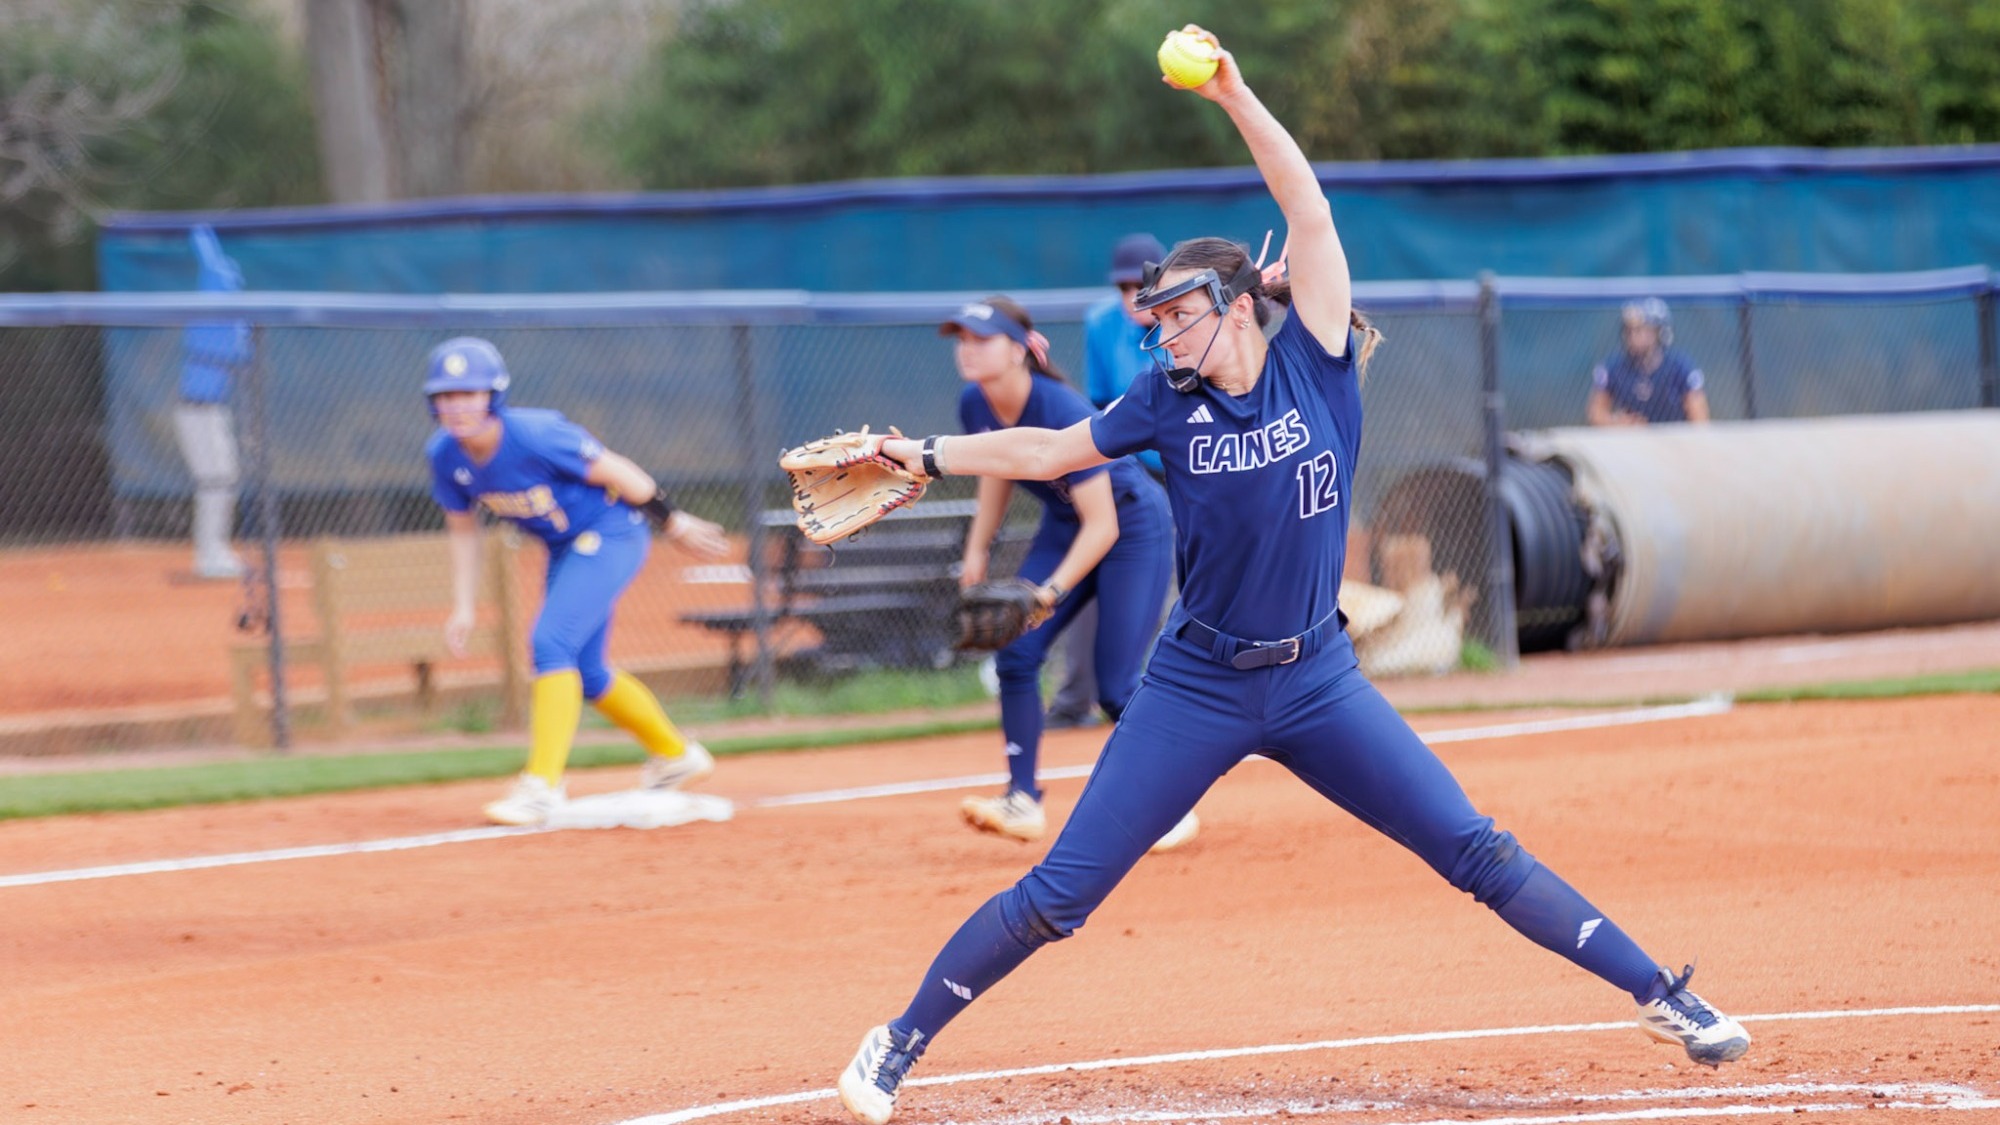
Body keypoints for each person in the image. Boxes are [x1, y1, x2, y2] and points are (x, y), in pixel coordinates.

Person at [835, 30, 1749, 1125]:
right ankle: (896, 1042)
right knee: (1061, 895)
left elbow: (1305, 207)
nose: (1158, 331)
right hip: (1196, 685)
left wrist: (1231, 92)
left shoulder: (1315, 353)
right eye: (1151, 317)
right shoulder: (1160, 404)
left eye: (1175, 312)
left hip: (1316, 678)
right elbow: (1042, 451)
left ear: (1234, 303)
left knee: (1471, 848)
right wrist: (922, 456)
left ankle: (1661, 994)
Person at [424, 337, 732, 826]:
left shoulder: (535, 434)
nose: (457, 405)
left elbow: (621, 472)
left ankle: (541, 787)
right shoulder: (445, 455)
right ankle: (676, 756)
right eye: (446, 395)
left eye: (470, 393)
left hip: (612, 534)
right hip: (567, 549)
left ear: (493, 396)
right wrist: (462, 605)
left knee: (550, 643)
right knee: (586, 672)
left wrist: (673, 523)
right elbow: (463, 534)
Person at [941, 297, 1192, 852]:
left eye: (982, 339)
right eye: (962, 339)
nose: (968, 349)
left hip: (1129, 531)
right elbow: (996, 468)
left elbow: (1102, 525)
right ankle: (1021, 799)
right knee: (1017, 652)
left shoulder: (1058, 406)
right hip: (1064, 525)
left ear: (1019, 350)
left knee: (1116, 684)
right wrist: (978, 549)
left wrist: (1048, 594)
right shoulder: (974, 402)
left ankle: (1170, 801)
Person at [1044, 232, 1173, 730]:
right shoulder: (1102, 323)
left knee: (1173, 589)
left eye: (1141, 285)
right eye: (1122, 287)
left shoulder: (1188, 321)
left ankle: (1171, 693)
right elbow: (1098, 404)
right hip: (1123, 475)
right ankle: (1076, 698)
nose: (1131, 297)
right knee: (1094, 576)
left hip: (1188, 472)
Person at [176, 225, 250, 580]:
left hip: (214, 409)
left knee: (224, 478)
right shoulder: (209, 306)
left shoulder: (237, 323)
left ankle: (215, 549)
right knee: (215, 479)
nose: (230, 284)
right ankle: (208, 554)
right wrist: (201, 228)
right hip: (193, 409)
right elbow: (207, 256)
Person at [1586, 298, 1711, 426]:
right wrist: (1615, 423)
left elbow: (1700, 418)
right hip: (1632, 442)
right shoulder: (1614, 367)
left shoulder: (1679, 367)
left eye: (1641, 330)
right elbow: (1596, 412)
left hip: (1673, 440)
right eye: (1629, 331)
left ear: (1658, 332)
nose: (1633, 337)